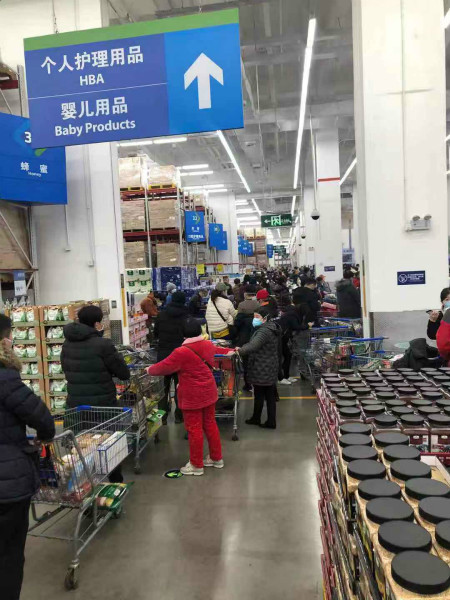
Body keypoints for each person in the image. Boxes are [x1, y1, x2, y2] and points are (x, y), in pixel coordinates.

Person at [0, 315, 55, 600]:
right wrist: (44, 437)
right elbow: (42, 418)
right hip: (7, 484)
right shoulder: (5, 378)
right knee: (8, 554)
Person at [147, 320, 232, 475]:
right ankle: (216, 458)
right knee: (210, 425)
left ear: (183, 333)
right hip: (209, 391)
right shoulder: (207, 344)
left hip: (192, 395)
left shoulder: (181, 352)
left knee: (194, 429)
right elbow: (221, 351)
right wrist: (234, 350)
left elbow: (164, 367)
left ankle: (196, 465)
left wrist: (148, 370)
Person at [61, 304, 130, 482]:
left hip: (76, 404)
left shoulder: (67, 344)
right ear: (97, 323)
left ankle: (84, 485)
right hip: (103, 404)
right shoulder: (103, 344)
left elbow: (66, 369)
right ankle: (115, 482)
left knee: (80, 447)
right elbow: (123, 373)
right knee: (109, 444)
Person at [238, 306, 282, 429]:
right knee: (268, 395)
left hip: (262, 366)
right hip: (270, 365)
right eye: (254, 317)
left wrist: (239, 350)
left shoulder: (264, 331)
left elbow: (253, 345)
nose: (255, 319)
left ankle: (259, 419)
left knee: (260, 394)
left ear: (265, 318)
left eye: (257, 317)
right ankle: (266, 420)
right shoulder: (272, 327)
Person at [153, 291, 189, 423]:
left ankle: (162, 418)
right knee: (181, 387)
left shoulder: (161, 315)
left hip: (163, 356)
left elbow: (156, 334)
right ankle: (179, 416)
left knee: (163, 389)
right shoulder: (186, 316)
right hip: (180, 356)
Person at [278, 302, 308, 384]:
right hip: (281, 337)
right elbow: (296, 326)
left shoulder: (291, 314)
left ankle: (286, 376)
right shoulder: (292, 315)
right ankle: (281, 378)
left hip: (282, 337)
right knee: (283, 356)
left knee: (287, 355)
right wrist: (307, 326)